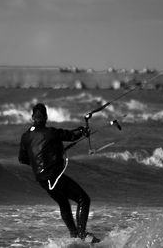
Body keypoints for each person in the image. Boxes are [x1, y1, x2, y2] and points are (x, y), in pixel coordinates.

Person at [18, 103, 100, 243]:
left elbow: (22, 159)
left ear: (32, 117)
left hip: (42, 180)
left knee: (63, 202)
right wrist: (83, 130)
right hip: (53, 177)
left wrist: (43, 159)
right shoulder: (50, 133)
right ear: (45, 117)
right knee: (83, 199)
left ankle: (74, 235)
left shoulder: (25, 137)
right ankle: (82, 234)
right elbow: (71, 135)